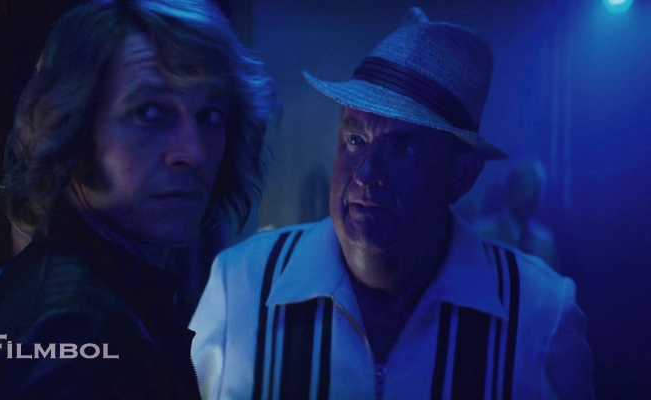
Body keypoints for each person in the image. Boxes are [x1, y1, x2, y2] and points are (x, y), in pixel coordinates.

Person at [189, 7, 594, 399]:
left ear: (461, 173)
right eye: (355, 140)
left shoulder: (540, 312)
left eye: (403, 147)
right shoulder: (243, 283)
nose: (366, 173)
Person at [0, 0, 278, 398]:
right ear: (70, 125)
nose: (195, 152)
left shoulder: (92, 298)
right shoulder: (75, 325)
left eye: (211, 115)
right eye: (149, 112)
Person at [474, 160, 559, 270]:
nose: (531, 196)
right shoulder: (482, 234)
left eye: (537, 190)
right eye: (524, 188)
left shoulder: (545, 242)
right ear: (509, 189)